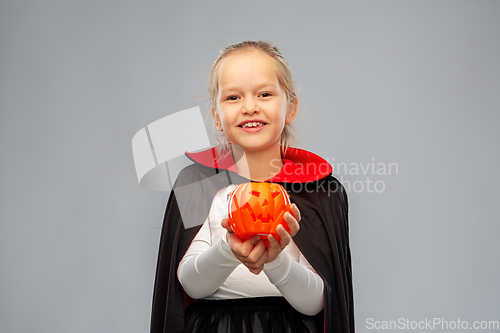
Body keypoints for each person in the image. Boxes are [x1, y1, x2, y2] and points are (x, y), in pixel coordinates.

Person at [151, 41, 354, 333]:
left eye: (265, 94)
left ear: (291, 108)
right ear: (216, 117)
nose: (249, 107)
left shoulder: (320, 191)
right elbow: (189, 284)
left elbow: (318, 303)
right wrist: (228, 250)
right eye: (233, 97)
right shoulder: (196, 184)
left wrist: (275, 260)